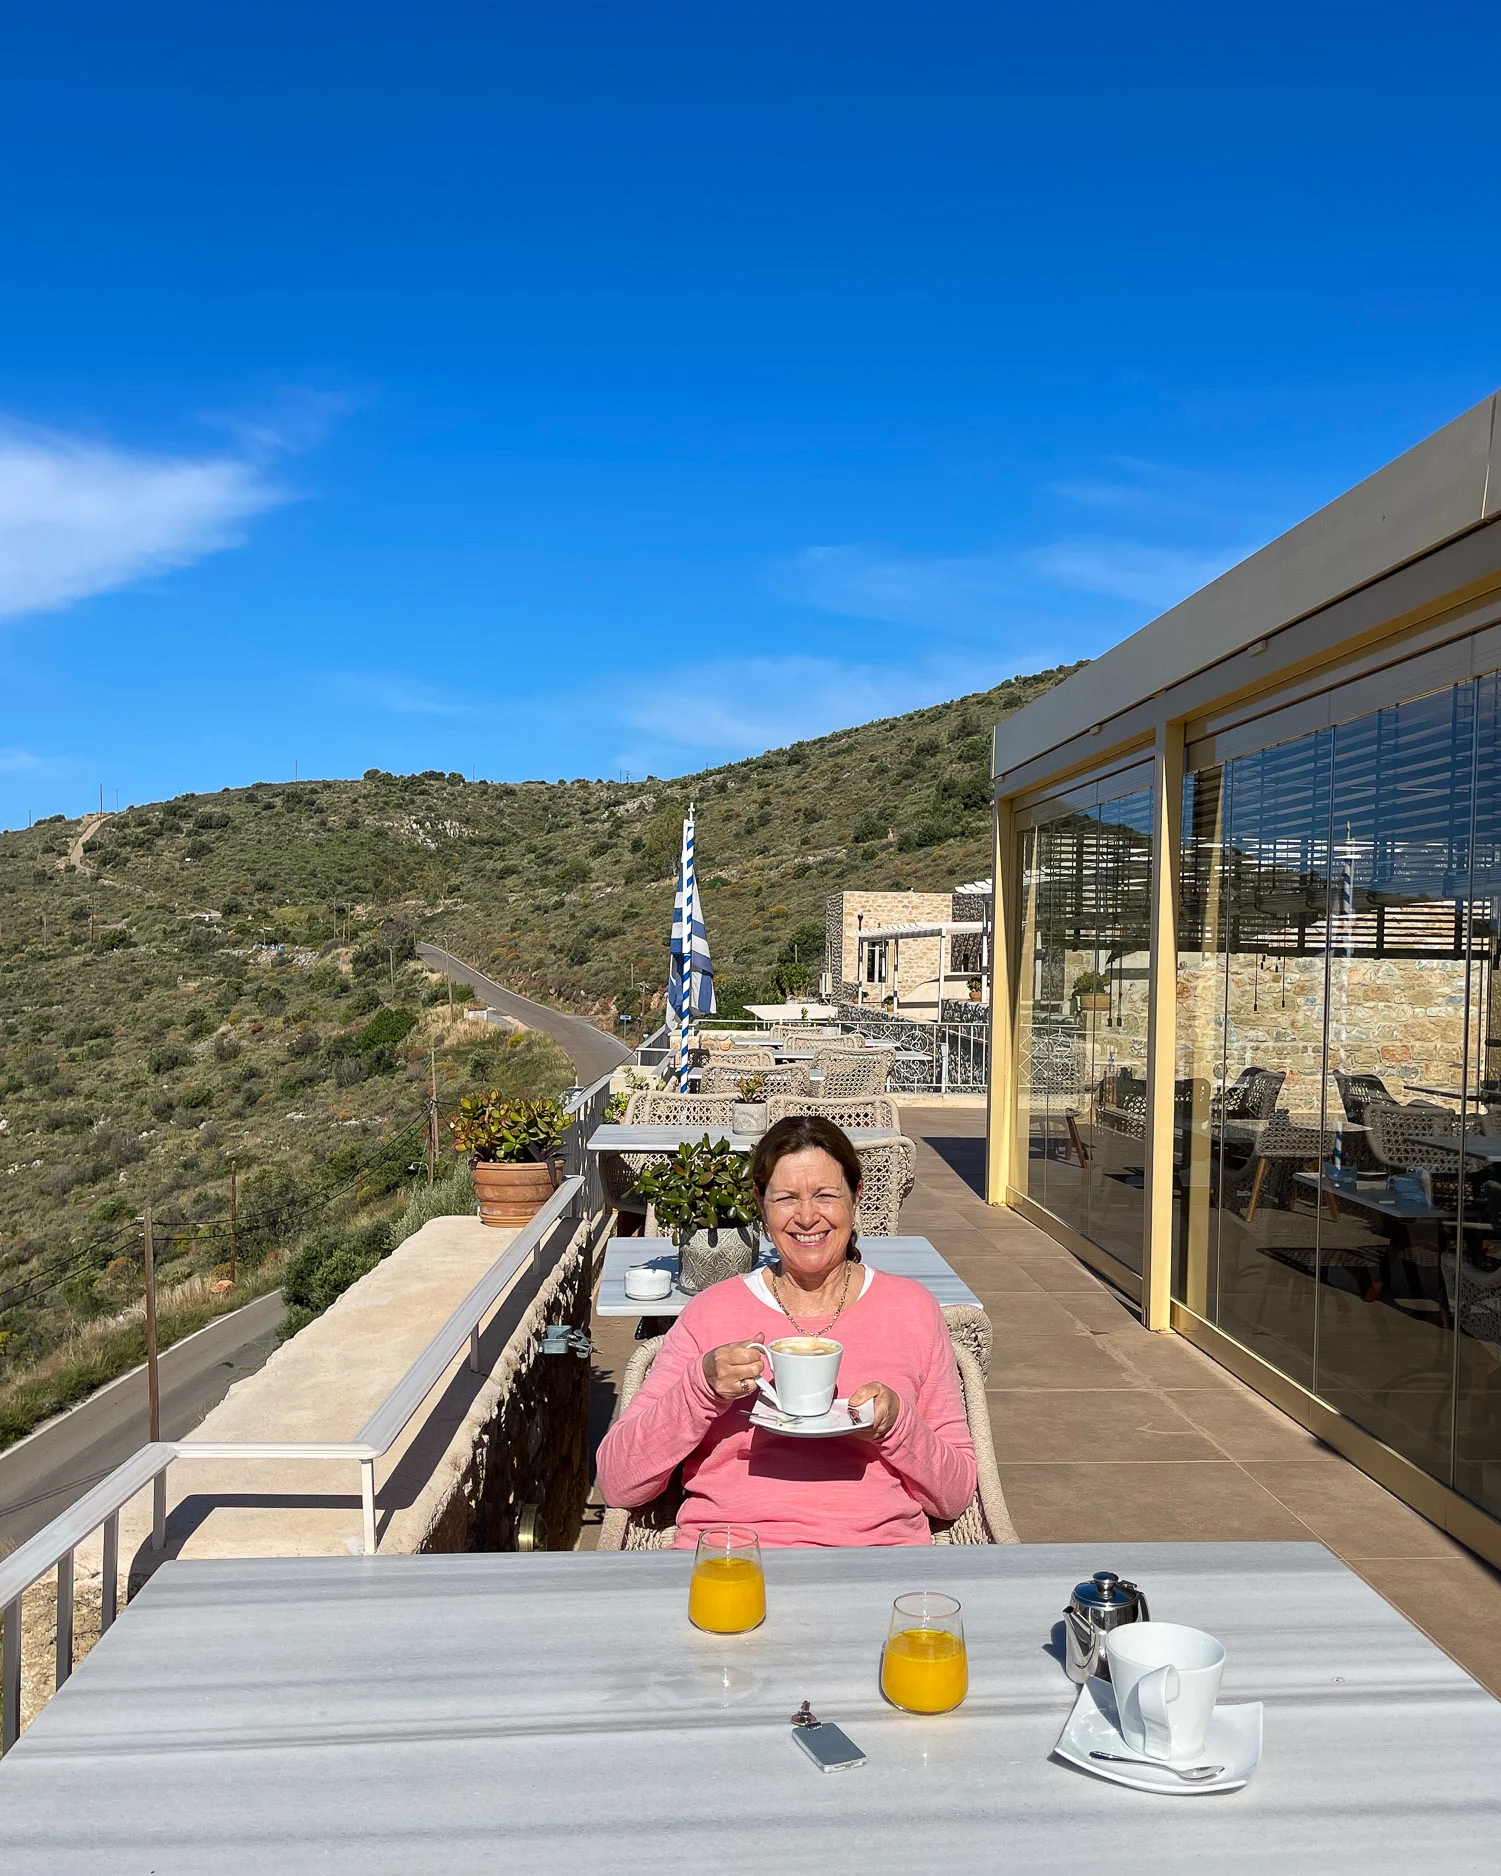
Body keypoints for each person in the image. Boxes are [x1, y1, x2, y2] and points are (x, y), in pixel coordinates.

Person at [596, 1114, 976, 1547]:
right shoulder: (712, 1312)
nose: (807, 1217)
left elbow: (955, 1495)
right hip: (730, 1560)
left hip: (876, 1562)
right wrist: (701, 1388)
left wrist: (897, 1424)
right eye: (786, 1198)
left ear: (856, 1197)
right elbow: (617, 1480)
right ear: (760, 1204)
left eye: (826, 1195)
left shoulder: (912, 1310)